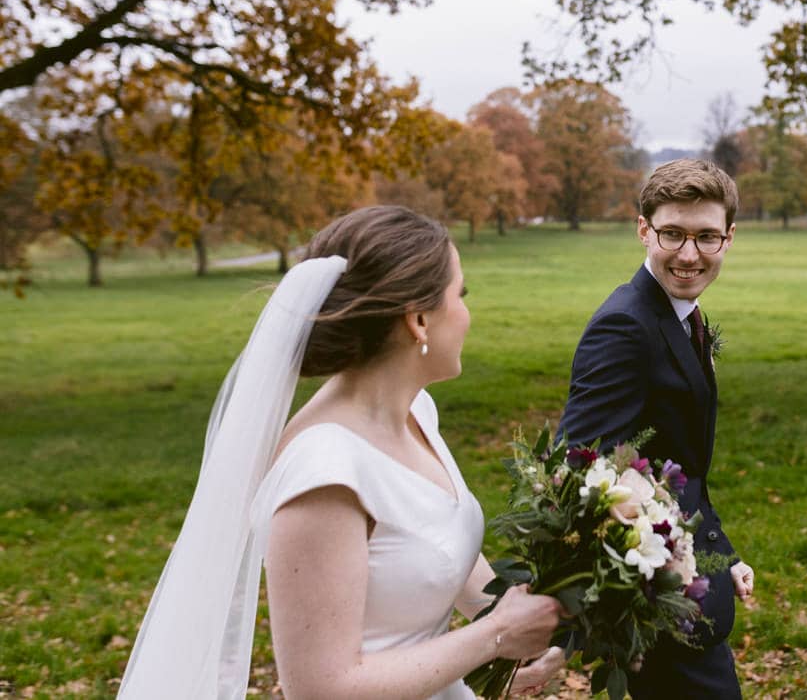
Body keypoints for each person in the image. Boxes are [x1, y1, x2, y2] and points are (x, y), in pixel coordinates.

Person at [119, 205, 564, 699]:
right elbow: (320, 688)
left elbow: (438, 548)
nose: (467, 312)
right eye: (460, 294)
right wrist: (492, 636)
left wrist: (524, 622)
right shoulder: (324, 473)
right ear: (418, 320)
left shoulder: (418, 412)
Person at [560, 159, 756, 699]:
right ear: (643, 229)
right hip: (657, 612)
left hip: (690, 596)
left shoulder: (682, 314)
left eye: (706, 237)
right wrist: (661, 576)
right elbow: (581, 467)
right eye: (672, 233)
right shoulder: (626, 325)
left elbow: (678, 463)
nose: (689, 254)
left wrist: (723, 553)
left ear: (728, 238)